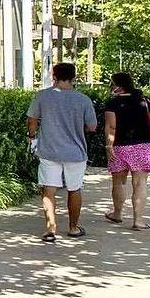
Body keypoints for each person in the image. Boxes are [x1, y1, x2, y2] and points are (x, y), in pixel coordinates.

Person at [26, 62, 98, 241]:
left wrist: (32, 137)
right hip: (76, 152)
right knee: (74, 189)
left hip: (49, 150)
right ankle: (73, 228)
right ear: (74, 78)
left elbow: (32, 120)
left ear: (54, 76)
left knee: (48, 190)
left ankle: (50, 229)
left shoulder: (42, 96)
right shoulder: (83, 100)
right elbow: (92, 126)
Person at [102, 72, 150, 230]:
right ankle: (138, 221)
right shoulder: (144, 100)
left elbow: (111, 127)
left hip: (120, 147)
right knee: (140, 183)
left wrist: (108, 146)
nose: (110, 87)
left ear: (118, 86)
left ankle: (117, 214)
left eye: (111, 84)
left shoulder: (112, 103)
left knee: (118, 182)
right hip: (143, 145)